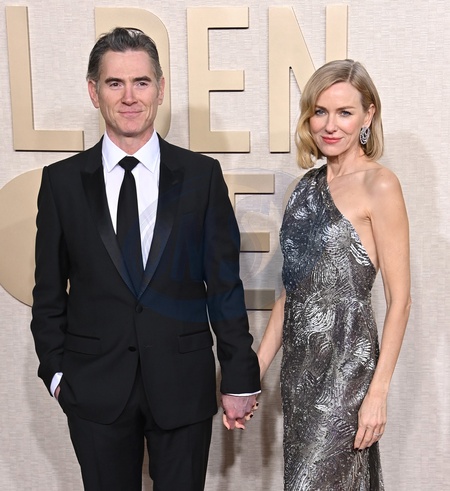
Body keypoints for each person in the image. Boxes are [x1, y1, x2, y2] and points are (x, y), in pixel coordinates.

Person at [30, 27, 260, 491]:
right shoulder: (61, 183)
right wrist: (56, 374)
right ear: (94, 91)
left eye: (141, 82)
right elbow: (49, 292)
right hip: (93, 388)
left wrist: (239, 375)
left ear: (159, 88)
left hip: (183, 382)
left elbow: (223, 286)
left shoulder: (201, 176)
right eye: (115, 83)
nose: (129, 96)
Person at [257, 59, 411, 490]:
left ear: (368, 115)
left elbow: (400, 301)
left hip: (347, 366)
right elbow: (291, 295)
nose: (330, 125)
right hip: (299, 371)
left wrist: (377, 392)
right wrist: (257, 368)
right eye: (320, 111)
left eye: (345, 112)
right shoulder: (302, 188)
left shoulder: (380, 185)